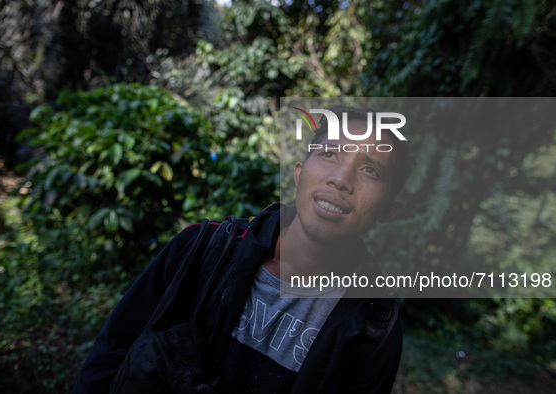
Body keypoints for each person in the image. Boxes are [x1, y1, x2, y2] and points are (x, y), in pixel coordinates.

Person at [72, 106, 410, 393]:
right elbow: (113, 350)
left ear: (389, 210)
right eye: (329, 154)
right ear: (299, 173)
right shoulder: (202, 250)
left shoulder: (373, 327)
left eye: (370, 169)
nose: (340, 179)